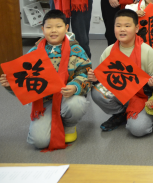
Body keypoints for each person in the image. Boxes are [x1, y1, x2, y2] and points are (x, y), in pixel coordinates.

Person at [0, 10, 90, 151]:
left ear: (66, 27)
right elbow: (25, 84)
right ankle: (49, 121)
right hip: (44, 102)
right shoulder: (34, 52)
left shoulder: (77, 49)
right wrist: (10, 85)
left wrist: (74, 86)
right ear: (43, 29)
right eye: (49, 27)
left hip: (68, 97)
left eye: (58, 26)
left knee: (77, 104)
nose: (53, 30)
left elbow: (85, 74)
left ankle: (69, 125)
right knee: (40, 142)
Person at [88, 9, 153, 136]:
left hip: (143, 97)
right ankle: (120, 113)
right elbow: (105, 78)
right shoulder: (109, 51)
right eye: (118, 26)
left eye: (127, 26)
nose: (122, 29)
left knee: (138, 129)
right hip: (121, 93)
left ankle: (143, 115)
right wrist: (96, 78)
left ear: (136, 28)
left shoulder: (147, 51)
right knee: (97, 92)